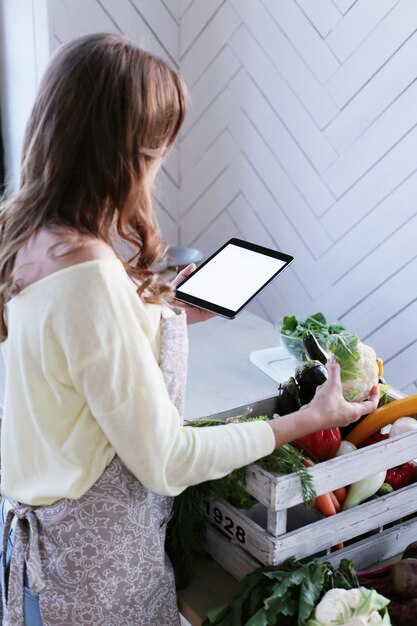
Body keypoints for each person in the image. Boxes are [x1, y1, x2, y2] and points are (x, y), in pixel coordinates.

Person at [0, 33, 379, 626]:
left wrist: (161, 305)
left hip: (47, 558)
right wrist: (305, 421)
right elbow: (169, 460)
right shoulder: (90, 278)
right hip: (95, 578)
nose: (157, 170)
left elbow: (72, 352)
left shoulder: (25, 239)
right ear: (120, 155)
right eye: (155, 154)